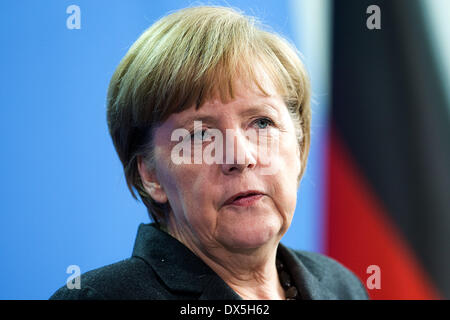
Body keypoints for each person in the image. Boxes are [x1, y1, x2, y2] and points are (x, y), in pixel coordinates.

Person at [50, 6, 368, 300]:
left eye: (261, 122)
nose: (240, 157)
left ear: (299, 145)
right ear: (150, 175)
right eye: (201, 134)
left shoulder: (341, 287)